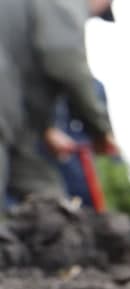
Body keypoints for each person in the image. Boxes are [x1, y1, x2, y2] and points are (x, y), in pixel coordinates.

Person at [0, 0, 119, 205]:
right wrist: (100, 130)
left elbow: (30, 79)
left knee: (44, 189)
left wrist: (45, 128)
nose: (93, 16)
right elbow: (66, 62)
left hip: (12, 106)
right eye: (101, 8)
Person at [36, 78, 109, 206]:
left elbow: (102, 139)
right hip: (45, 157)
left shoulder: (96, 86)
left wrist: (103, 133)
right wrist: (46, 128)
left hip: (80, 163)